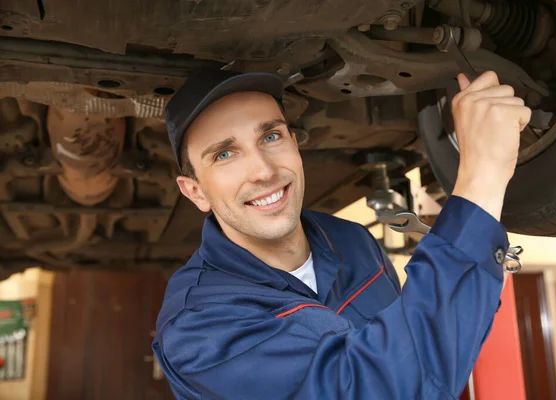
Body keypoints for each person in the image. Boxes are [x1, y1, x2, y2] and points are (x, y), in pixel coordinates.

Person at [152, 68, 531, 399]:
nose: (264, 171)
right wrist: (482, 174)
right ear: (195, 191)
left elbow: (420, 342)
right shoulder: (198, 326)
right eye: (224, 154)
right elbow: (382, 390)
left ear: (295, 145)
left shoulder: (353, 241)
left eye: (271, 136)